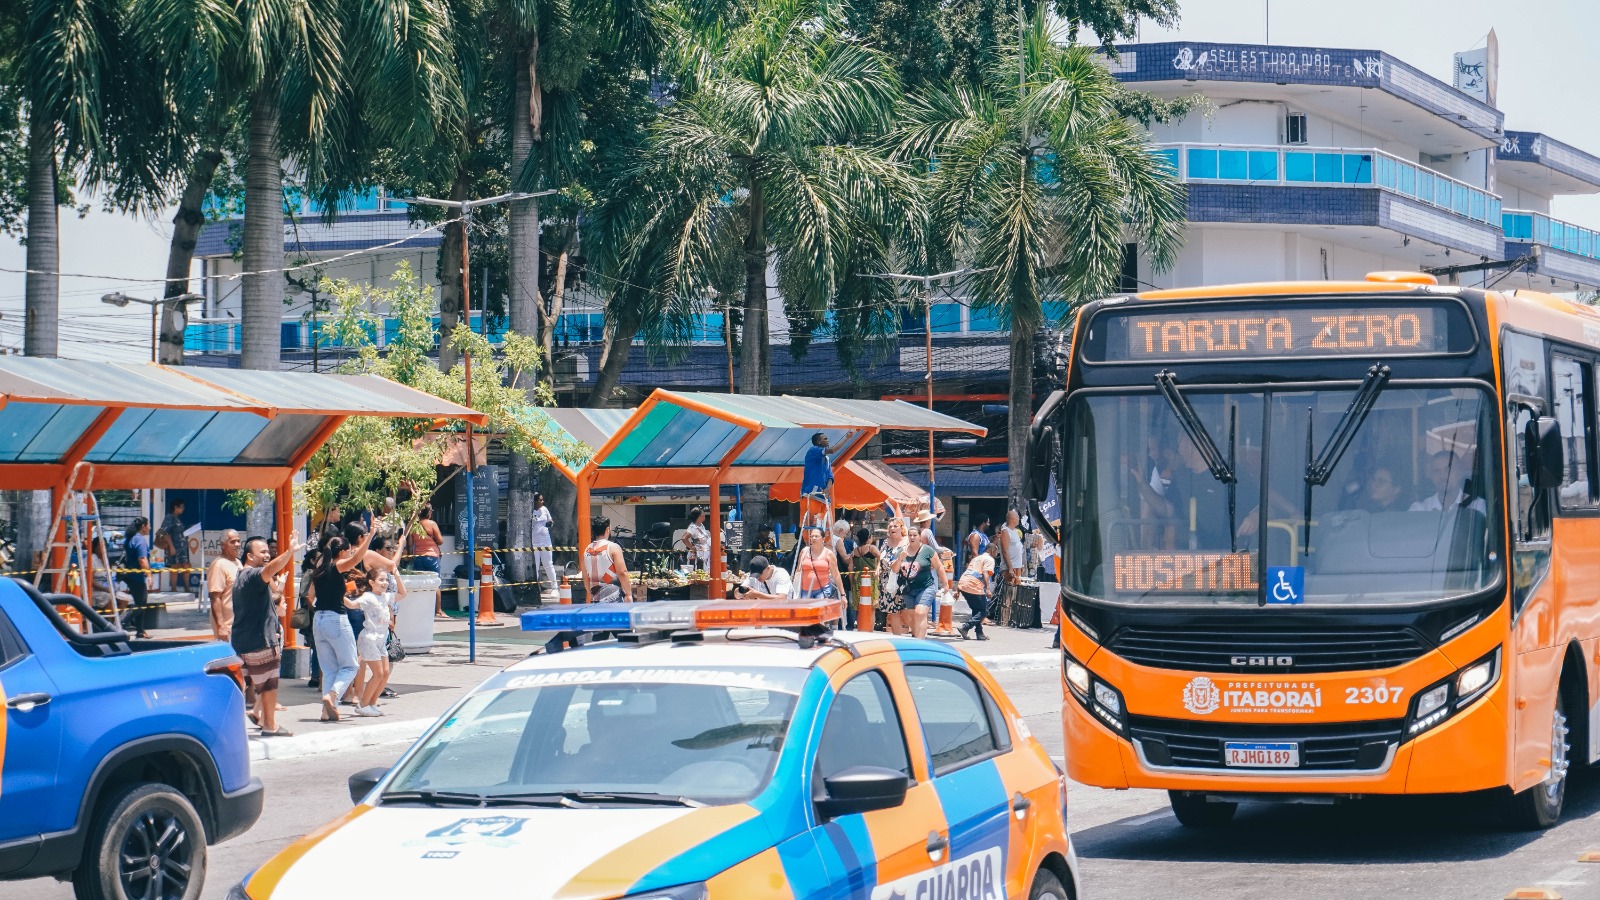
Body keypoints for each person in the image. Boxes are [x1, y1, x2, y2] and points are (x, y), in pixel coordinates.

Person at [231, 534, 303, 737]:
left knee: (250, 687)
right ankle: (270, 725)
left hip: (243, 641)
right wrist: (289, 552)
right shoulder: (253, 575)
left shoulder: (242, 577)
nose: (266, 555)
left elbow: (264, 599)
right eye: (261, 552)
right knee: (269, 685)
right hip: (260, 641)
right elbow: (269, 570)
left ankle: (259, 717)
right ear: (249, 556)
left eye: (267, 551)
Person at [309, 529, 372, 722]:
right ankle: (333, 696)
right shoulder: (337, 566)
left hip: (318, 619)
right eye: (348, 551)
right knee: (351, 665)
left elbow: (311, 597)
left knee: (329, 669)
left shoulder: (320, 567)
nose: (351, 553)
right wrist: (371, 535)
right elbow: (358, 558)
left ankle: (326, 711)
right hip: (335, 619)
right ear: (341, 552)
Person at [347, 572, 392, 717]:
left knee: (385, 673)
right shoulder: (368, 597)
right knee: (378, 673)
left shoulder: (385, 596)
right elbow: (352, 604)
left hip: (381, 639)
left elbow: (403, 593)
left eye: (386, 580)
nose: (385, 583)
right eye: (381, 580)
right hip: (369, 638)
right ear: (372, 582)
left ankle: (372, 703)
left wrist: (396, 573)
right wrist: (338, 594)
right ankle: (363, 704)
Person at [900, 528, 945, 639]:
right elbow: (895, 568)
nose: (912, 537)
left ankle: (920, 642)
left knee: (920, 613)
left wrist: (945, 584)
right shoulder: (902, 551)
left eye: (915, 535)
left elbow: (939, 567)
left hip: (926, 587)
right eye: (910, 535)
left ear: (920, 537)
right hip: (908, 588)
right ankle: (916, 635)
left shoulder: (928, 550)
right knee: (910, 615)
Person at [1410, 450, 1488, 514]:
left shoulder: (1476, 507)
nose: (1442, 476)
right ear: (1432, 477)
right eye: (1437, 471)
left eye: (1448, 470)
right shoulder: (1420, 510)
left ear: (1460, 473)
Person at [207, 530, 242, 641]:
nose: (237, 544)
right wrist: (221, 626)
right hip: (227, 628)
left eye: (238, 541)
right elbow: (215, 598)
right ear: (222, 545)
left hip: (239, 625)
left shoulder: (238, 562)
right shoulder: (219, 565)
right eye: (232, 542)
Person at [878, 517, 912, 634]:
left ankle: (917, 633)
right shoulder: (886, 542)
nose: (892, 528)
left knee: (905, 610)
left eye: (895, 526)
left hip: (902, 579)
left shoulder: (907, 541)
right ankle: (897, 636)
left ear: (901, 528)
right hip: (887, 580)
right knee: (892, 610)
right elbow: (881, 557)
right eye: (890, 526)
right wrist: (878, 567)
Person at [121, 517, 152, 638]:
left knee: (141, 603)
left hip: (129, 576)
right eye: (148, 525)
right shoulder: (140, 540)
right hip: (137, 577)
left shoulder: (130, 538)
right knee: (141, 604)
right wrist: (149, 576)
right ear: (143, 526)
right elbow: (142, 559)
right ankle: (121, 624)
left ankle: (140, 631)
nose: (149, 527)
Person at [957, 544, 995, 641]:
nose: (996, 554)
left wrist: (958, 590)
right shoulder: (990, 559)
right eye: (996, 551)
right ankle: (965, 627)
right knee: (984, 611)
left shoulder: (976, 558)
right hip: (973, 584)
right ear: (991, 550)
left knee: (976, 610)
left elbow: (968, 571)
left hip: (964, 582)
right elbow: (986, 573)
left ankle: (979, 633)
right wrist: (987, 588)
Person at [796, 527, 846, 601]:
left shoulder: (829, 554)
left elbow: (836, 574)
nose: (813, 538)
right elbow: (798, 570)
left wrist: (843, 594)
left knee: (820, 612)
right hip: (805, 590)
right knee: (806, 612)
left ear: (823, 539)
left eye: (816, 536)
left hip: (822, 590)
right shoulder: (804, 551)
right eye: (812, 536)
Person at [848, 527, 881, 629]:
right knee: (871, 608)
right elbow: (881, 558)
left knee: (860, 607)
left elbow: (850, 569)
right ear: (869, 537)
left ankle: (861, 628)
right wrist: (878, 568)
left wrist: (852, 583)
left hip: (858, 580)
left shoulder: (854, 551)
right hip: (871, 579)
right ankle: (869, 629)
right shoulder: (872, 548)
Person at [156, 499, 190, 593]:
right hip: (174, 548)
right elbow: (164, 532)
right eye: (181, 507)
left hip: (182, 548)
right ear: (176, 507)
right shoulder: (169, 517)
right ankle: (174, 589)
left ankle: (187, 588)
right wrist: (171, 547)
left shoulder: (177, 518)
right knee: (175, 567)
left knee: (186, 567)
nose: (183, 509)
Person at [800, 432, 833, 527]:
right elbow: (833, 450)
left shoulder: (827, 459)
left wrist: (828, 488)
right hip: (812, 495)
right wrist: (847, 438)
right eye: (825, 438)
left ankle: (825, 541)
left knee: (824, 526)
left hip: (824, 497)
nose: (828, 440)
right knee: (810, 526)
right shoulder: (813, 450)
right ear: (818, 441)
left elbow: (830, 476)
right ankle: (807, 542)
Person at [530, 493, 556, 596]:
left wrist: (550, 524)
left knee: (548, 564)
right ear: (535, 501)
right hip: (534, 541)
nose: (542, 502)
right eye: (540, 500)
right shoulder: (530, 510)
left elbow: (551, 521)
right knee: (535, 566)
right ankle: (536, 588)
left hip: (545, 541)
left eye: (542, 500)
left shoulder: (545, 509)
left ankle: (554, 588)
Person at [996, 509, 1027, 587]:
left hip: (1017, 568)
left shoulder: (1015, 532)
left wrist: (1020, 565)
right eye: (1018, 517)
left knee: (1015, 594)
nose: (1019, 519)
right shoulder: (1006, 531)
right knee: (1008, 595)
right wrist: (1010, 568)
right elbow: (1005, 551)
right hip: (1009, 569)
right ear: (1013, 519)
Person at [684, 507, 711, 572]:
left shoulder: (701, 525)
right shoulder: (693, 527)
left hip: (705, 553)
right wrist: (692, 548)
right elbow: (684, 538)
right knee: (698, 571)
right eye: (703, 514)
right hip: (698, 555)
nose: (704, 515)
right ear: (700, 516)